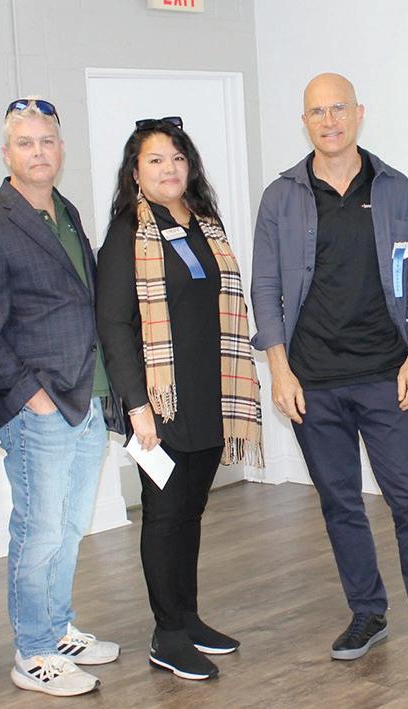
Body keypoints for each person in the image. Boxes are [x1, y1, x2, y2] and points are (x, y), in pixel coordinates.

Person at [250, 73, 408, 670]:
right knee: (340, 502)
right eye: (317, 112)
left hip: (386, 375)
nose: (329, 121)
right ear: (305, 122)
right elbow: (265, 286)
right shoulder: (281, 197)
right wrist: (279, 369)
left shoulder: (394, 188)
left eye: (339, 108)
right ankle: (367, 612)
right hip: (312, 382)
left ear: (359, 113)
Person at [0, 97, 119, 697]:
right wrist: (33, 398)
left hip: (87, 397)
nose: (38, 152)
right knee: (39, 529)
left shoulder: (65, 212)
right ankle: (33, 652)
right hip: (40, 407)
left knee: (70, 527)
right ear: (7, 154)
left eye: (47, 141)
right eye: (25, 143)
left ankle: (57, 628)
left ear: (61, 149)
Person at [95, 117, 263, 681]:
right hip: (159, 405)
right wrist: (136, 405)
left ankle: (188, 619)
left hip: (213, 394)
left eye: (177, 157)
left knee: (191, 512)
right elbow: (113, 325)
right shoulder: (127, 234)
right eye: (155, 160)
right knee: (164, 516)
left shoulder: (205, 224)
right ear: (135, 173)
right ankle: (166, 635)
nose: (169, 168)